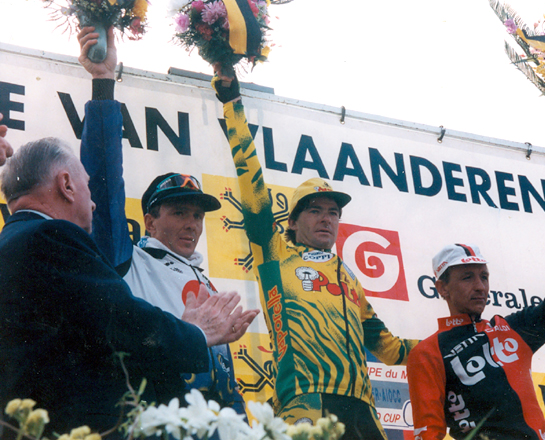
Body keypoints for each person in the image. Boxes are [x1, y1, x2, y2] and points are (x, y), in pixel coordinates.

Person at [211, 71, 418, 440]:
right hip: (304, 400)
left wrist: (450, 344)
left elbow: (390, 350)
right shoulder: (275, 256)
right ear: (290, 223)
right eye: (315, 211)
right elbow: (253, 188)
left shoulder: (349, 278)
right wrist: (233, 106)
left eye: (333, 212)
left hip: (362, 409)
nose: (327, 219)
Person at [0, 137, 251, 439]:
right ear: (66, 185)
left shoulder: (17, 240)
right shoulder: (55, 236)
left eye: (198, 216)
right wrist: (196, 333)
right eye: (180, 212)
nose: (92, 202)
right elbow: (120, 320)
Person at [76, 26, 258, 414]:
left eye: (197, 215)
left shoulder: (203, 278)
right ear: (149, 221)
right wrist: (103, 84)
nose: (192, 224)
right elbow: (104, 181)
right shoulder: (128, 261)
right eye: (178, 213)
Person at [406, 191, 545, 440]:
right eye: (467, 277)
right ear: (442, 288)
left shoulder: (509, 329)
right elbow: (427, 434)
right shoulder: (427, 353)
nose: (480, 286)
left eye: (484, 276)